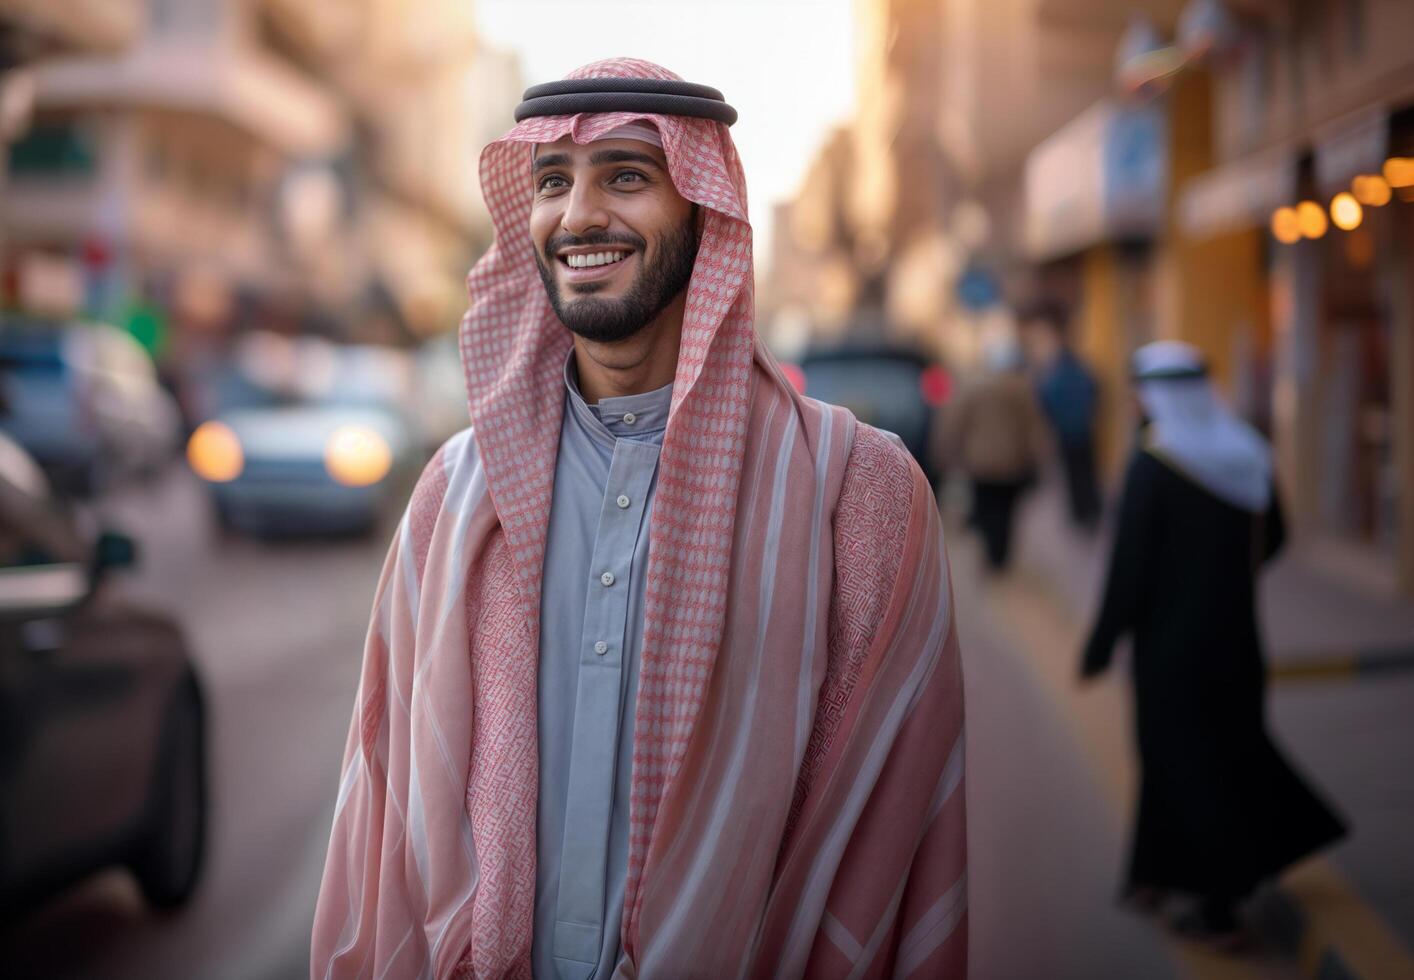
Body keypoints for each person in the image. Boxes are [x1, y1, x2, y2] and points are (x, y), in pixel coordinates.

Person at [311, 59, 967, 979]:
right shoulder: (455, 498)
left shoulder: (857, 494)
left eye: (626, 175)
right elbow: (383, 818)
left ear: (708, 214)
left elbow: (885, 842)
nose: (578, 216)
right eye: (551, 183)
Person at [1080, 341, 1345, 947]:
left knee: (1185, 766)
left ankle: (1220, 908)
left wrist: (1100, 644)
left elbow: (1129, 569)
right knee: (1217, 756)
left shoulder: (1153, 464)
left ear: (1152, 397)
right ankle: (1155, 873)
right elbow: (1274, 537)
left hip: (1170, 652)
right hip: (1236, 641)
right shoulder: (1246, 454)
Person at [945, 335, 1048, 571]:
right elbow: (1034, 427)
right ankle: (1000, 556)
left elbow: (956, 422)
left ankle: (990, 553)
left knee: (985, 508)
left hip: (980, 463)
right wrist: (1036, 457)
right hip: (1013, 463)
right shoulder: (1024, 389)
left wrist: (949, 453)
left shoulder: (974, 387)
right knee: (1006, 513)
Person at [1023, 299, 1101, 530]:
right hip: (1083, 429)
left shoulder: (1056, 376)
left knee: (1075, 475)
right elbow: (1095, 390)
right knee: (1086, 472)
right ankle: (1090, 510)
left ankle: (1081, 513)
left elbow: (1046, 399)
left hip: (1068, 431)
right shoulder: (1080, 371)